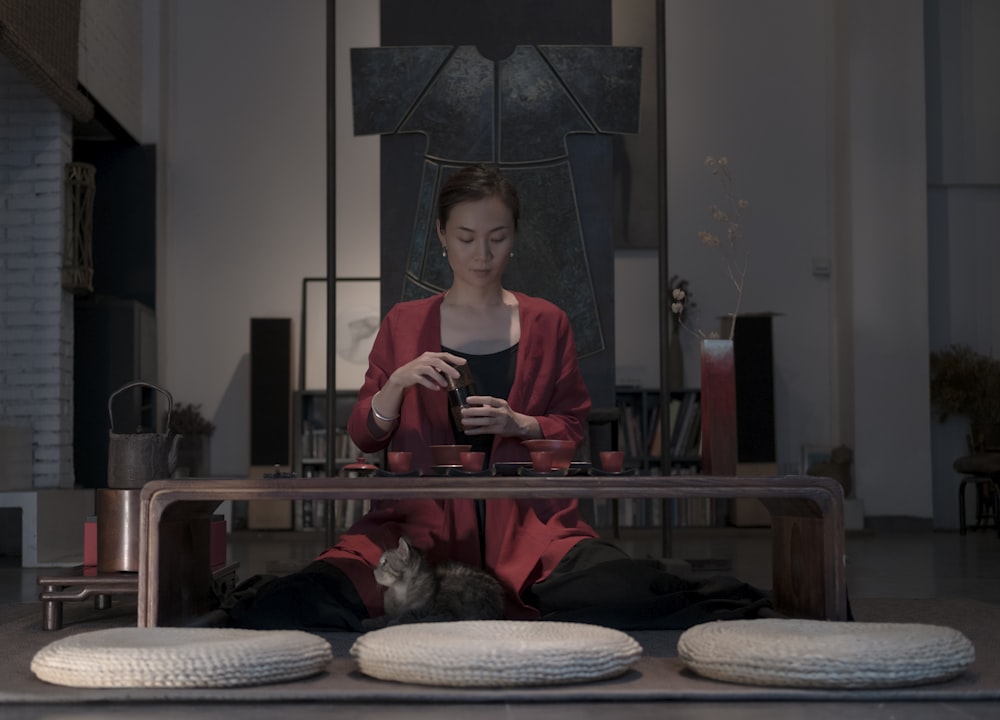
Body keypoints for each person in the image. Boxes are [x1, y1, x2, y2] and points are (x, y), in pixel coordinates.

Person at [229, 165, 771, 631]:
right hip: (413, 532)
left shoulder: (547, 321)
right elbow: (363, 434)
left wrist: (521, 424)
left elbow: (571, 427)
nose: (481, 254)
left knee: (619, 591)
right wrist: (396, 383)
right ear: (441, 234)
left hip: (531, 529)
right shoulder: (404, 323)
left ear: (515, 236)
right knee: (295, 601)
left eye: (497, 237)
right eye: (465, 237)